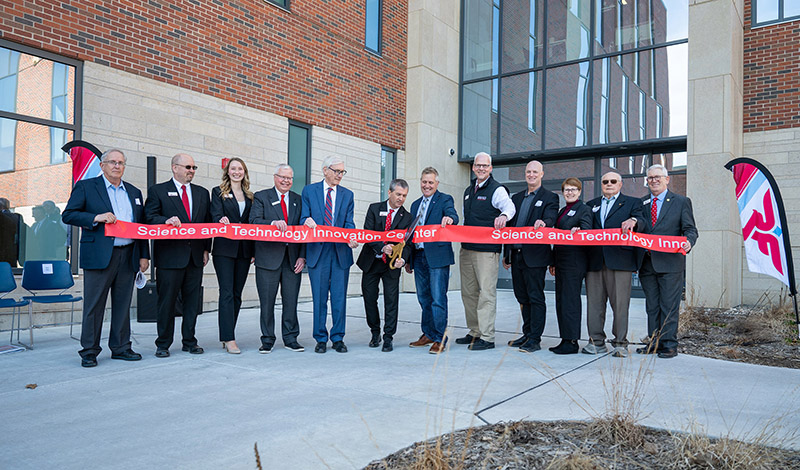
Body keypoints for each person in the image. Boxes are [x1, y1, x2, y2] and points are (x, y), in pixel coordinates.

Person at [62, 149, 150, 368]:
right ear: (102, 165)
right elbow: (68, 215)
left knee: (123, 304)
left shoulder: (134, 191)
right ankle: (89, 351)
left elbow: (141, 226)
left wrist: (144, 255)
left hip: (128, 254)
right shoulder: (86, 187)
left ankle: (121, 347)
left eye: (121, 162)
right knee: (94, 305)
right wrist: (95, 217)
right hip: (99, 256)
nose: (117, 166)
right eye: (112, 162)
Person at [145, 153, 211, 358]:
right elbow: (149, 217)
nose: (191, 171)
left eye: (194, 167)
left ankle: (189, 341)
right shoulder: (158, 191)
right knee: (167, 302)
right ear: (174, 167)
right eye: (187, 167)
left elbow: (207, 223)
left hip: (195, 256)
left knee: (192, 302)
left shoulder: (201, 193)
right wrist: (165, 220)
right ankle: (163, 343)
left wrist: (206, 249)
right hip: (169, 257)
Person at [636, 164, 698, 359]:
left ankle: (669, 344)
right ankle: (653, 342)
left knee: (669, 306)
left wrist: (688, 242)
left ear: (666, 179)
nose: (653, 181)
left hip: (670, 263)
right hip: (646, 263)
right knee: (652, 306)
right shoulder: (641, 203)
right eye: (650, 178)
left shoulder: (681, 202)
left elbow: (690, 229)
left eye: (657, 177)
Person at [456, 152, 516, 351]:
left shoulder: (497, 190)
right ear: (473, 167)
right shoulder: (468, 190)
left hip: (487, 252)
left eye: (485, 166)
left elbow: (510, 206)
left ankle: (487, 337)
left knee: (486, 294)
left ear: (490, 168)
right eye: (478, 165)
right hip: (467, 249)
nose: (481, 168)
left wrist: (504, 215)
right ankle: (475, 332)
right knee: (468, 293)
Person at [301, 155, 358, 354]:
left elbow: (349, 223)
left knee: (339, 298)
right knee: (319, 298)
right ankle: (320, 338)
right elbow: (303, 217)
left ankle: (338, 338)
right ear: (325, 170)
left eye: (343, 172)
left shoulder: (347, 194)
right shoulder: (309, 191)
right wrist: (306, 221)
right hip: (318, 251)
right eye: (337, 171)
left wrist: (352, 236)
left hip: (340, 253)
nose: (340, 175)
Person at [583, 172, 644, 358]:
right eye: (605, 181)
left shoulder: (633, 203)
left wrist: (634, 220)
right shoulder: (591, 205)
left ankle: (620, 344)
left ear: (620, 184)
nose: (609, 184)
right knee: (594, 305)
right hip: (594, 262)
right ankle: (596, 342)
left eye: (613, 181)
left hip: (620, 262)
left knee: (620, 305)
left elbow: (643, 221)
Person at [502, 161, 559, 353]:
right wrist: (506, 253)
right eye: (528, 172)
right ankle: (527, 334)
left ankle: (535, 339)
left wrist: (545, 222)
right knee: (522, 297)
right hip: (516, 254)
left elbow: (551, 218)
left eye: (535, 172)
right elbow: (509, 228)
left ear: (542, 174)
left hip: (535, 257)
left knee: (535, 297)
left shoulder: (550, 197)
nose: (531, 174)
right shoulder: (516, 198)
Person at [250, 164, 306, 354]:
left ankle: (291, 338)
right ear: (275, 177)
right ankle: (267, 339)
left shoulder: (299, 200)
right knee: (267, 303)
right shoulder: (261, 196)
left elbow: (305, 231)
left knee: (291, 302)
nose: (286, 181)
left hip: (292, 260)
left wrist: (302, 256)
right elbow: (254, 221)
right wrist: (272, 223)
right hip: (267, 259)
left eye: (289, 178)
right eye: (282, 177)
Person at [406, 167, 458, 355]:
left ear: (436, 184)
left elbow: (453, 215)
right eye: (424, 182)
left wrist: (449, 218)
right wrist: (408, 260)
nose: (426, 185)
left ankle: (440, 338)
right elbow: (410, 234)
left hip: (437, 257)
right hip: (418, 256)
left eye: (430, 182)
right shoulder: (414, 204)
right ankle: (428, 333)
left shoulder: (444, 199)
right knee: (423, 298)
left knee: (438, 299)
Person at [357, 179, 412, 352]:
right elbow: (368, 233)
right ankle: (375, 332)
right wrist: (382, 246)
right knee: (369, 298)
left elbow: (408, 244)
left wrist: (402, 259)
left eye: (404, 196)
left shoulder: (408, 217)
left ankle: (388, 337)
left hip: (392, 266)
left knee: (391, 301)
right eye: (398, 194)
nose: (401, 199)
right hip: (372, 262)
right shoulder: (374, 209)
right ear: (389, 193)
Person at [210, 158, 254, 355]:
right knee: (226, 293)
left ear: (244, 172)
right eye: (233, 168)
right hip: (225, 250)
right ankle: (229, 338)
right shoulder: (218, 192)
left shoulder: (250, 196)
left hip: (244, 250)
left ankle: (228, 332)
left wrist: (253, 251)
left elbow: (253, 225)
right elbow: (214, 215)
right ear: (227, 171)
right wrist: (220, 219)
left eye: (240, 169)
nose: (237, 172)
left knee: (237, 295)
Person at [549, 177, 593, 355]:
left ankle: (572, 341)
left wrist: (580, 231)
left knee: (570, 301)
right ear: (562, 192)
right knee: (561, 301)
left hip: (575, 262)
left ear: (580, 192)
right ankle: (565, 338)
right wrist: (552, 261)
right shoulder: (561, 211)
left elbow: (587, 230)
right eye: (567, 190)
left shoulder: (584, 210)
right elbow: (555, 237)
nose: (570, 192)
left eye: (574, 189)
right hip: (560, 261)